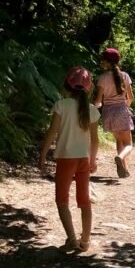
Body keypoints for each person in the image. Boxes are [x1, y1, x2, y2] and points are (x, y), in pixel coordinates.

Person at [39, 66, 100, 252]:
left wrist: (43, 154)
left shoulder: (61, 105)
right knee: (84, 201)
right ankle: (85, 241)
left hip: (66, 159)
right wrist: (93, 161)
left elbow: (51, 133)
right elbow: (95, 140)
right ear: (88, 89)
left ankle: (72, 239)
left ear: (66, 85)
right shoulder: (91, 110)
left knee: (62, 200)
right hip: (83, 158)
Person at [94, 48, 135, 178]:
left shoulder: (102, 78)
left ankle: (124, 169)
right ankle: (120, 157)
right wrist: (125, 107)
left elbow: (98, 101)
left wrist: (93, 107)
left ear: (106, 62)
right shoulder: (125, 76)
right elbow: (131, 97)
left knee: (119, 140)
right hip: (121, 110)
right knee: (128, 144)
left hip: (108, 113)